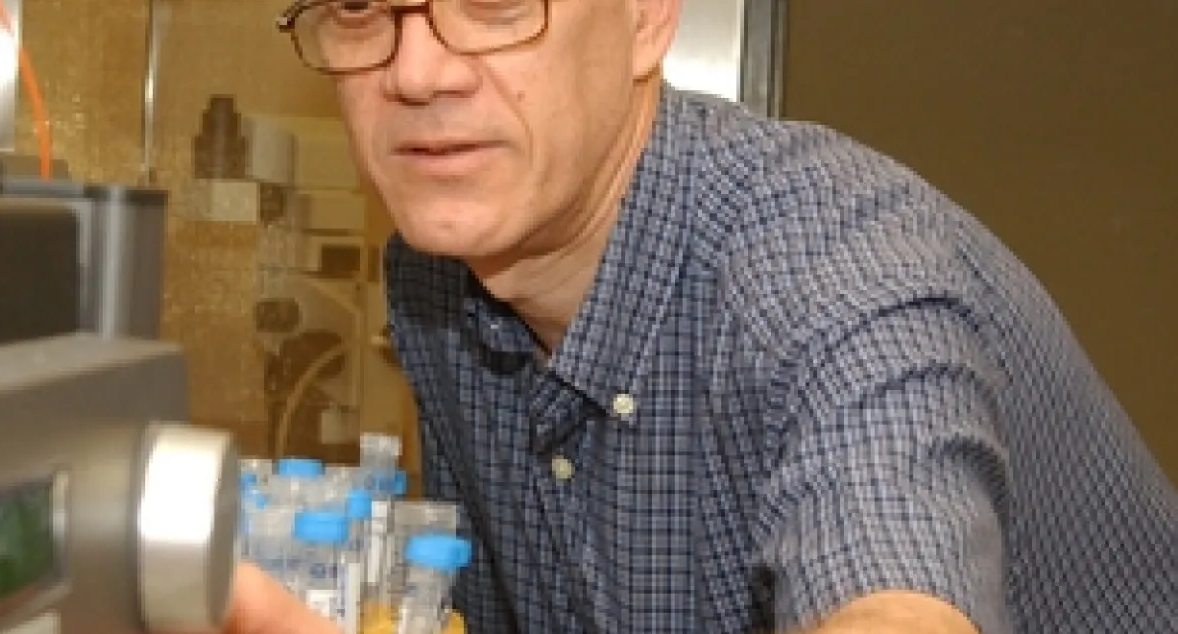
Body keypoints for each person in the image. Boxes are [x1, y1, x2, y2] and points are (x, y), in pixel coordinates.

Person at [224, 0, 1178, 632]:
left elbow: (896, 600)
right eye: (356, 6)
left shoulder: (832, 262)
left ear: (646, 18)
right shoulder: (436, 275)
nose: (419, 71)